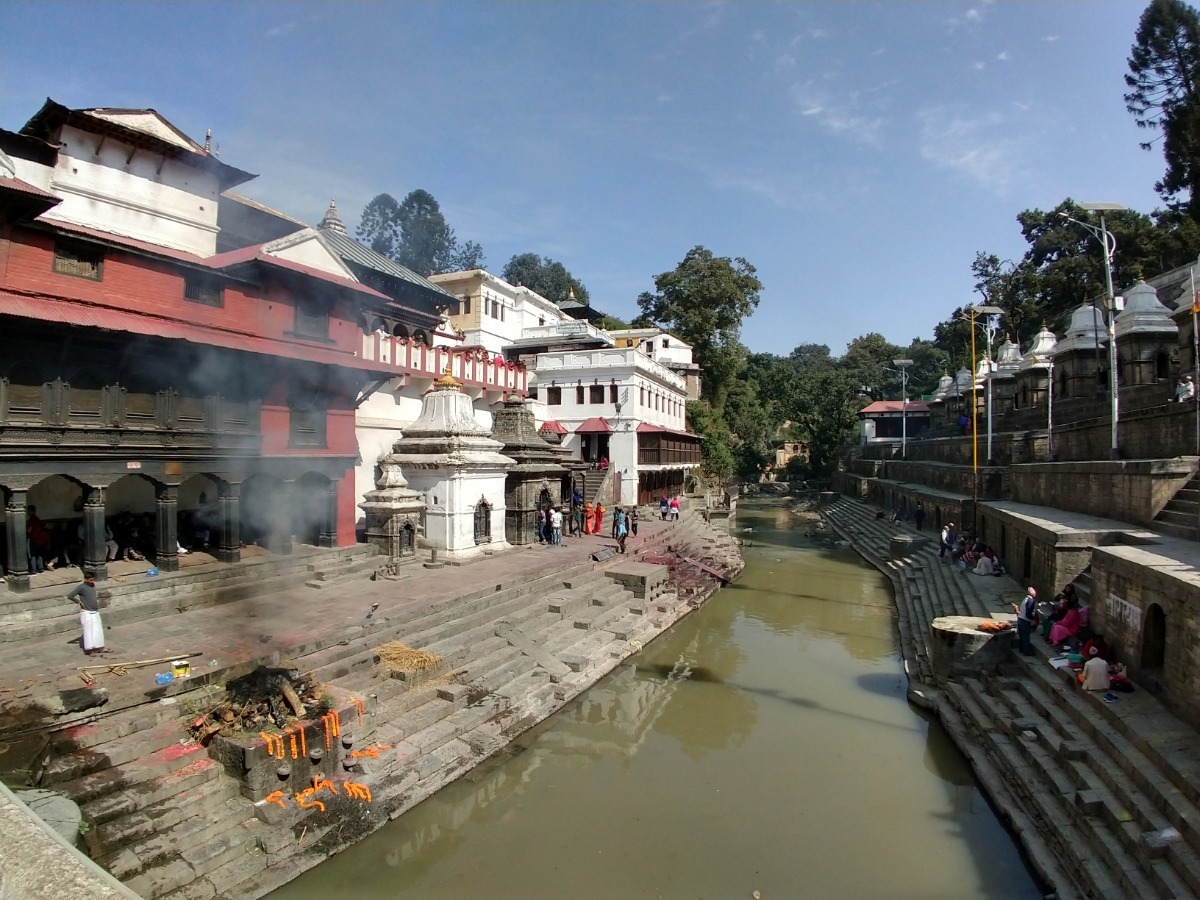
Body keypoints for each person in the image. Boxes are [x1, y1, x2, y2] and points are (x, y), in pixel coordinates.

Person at [68, 571, 108, 655]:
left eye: (93, 580)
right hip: (87, 612)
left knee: (98, 630)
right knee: (88, 631)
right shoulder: (81, 587)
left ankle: (100, 647)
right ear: (85, 579)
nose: (92, 582)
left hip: (95, 611)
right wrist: (78, 601)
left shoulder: (92, 585)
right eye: (90, 580)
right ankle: (89, 650)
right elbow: (70, 596)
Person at [1012, 586, 1038, 656]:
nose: (1034, 592)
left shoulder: (1025, 599)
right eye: (1033, 590)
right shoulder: (1030, 601)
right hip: (1025, 620)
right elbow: (1028, 612)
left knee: (1022, 635)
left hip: (1020, 619)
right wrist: (1032, 619)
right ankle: (1027, 651)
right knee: (1026, 636)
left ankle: (1022, 649)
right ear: (1031, 593)